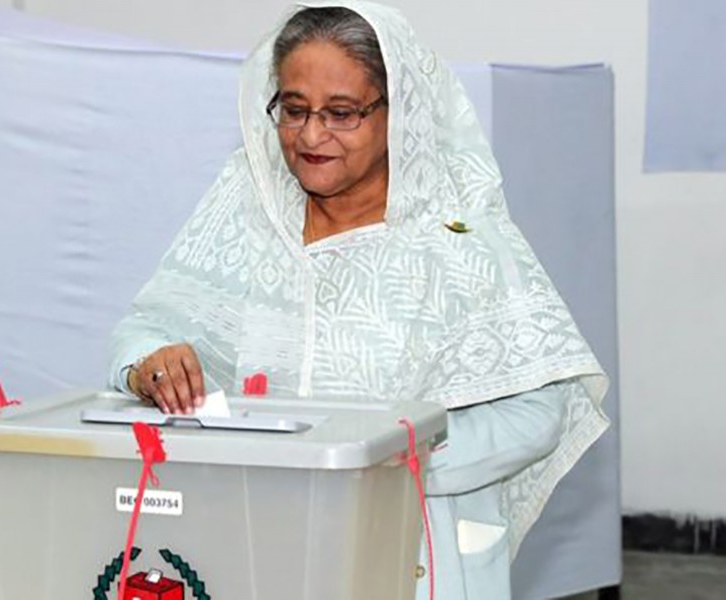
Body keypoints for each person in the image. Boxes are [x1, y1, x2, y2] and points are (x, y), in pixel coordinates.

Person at [109, 2, 609, 598]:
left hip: (412, 547)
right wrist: (149, 364)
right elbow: (146, 328)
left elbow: (536, 412)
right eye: (293, 110)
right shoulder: (246, 206)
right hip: (257, 539)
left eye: (342, 113)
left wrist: (392, 461)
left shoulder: (454, 237)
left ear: (398, 113)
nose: (311, 135)